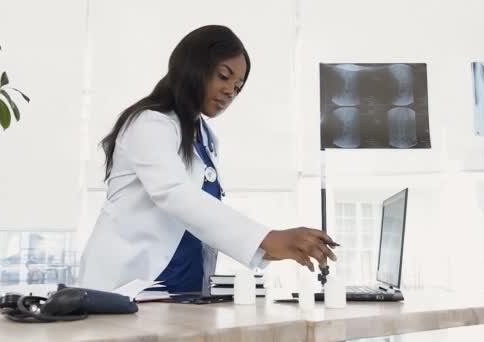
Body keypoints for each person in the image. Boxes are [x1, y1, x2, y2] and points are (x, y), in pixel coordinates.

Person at [79, 25, 337, 293]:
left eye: (237, 86)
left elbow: (202, 222)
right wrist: (267, 238)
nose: (230, 91)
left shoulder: (205, 137)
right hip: (126, 288)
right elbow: (174, 193)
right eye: (223, 76)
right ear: (192, 66)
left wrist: (274, 249)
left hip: (179, 291)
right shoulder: (149, 124)